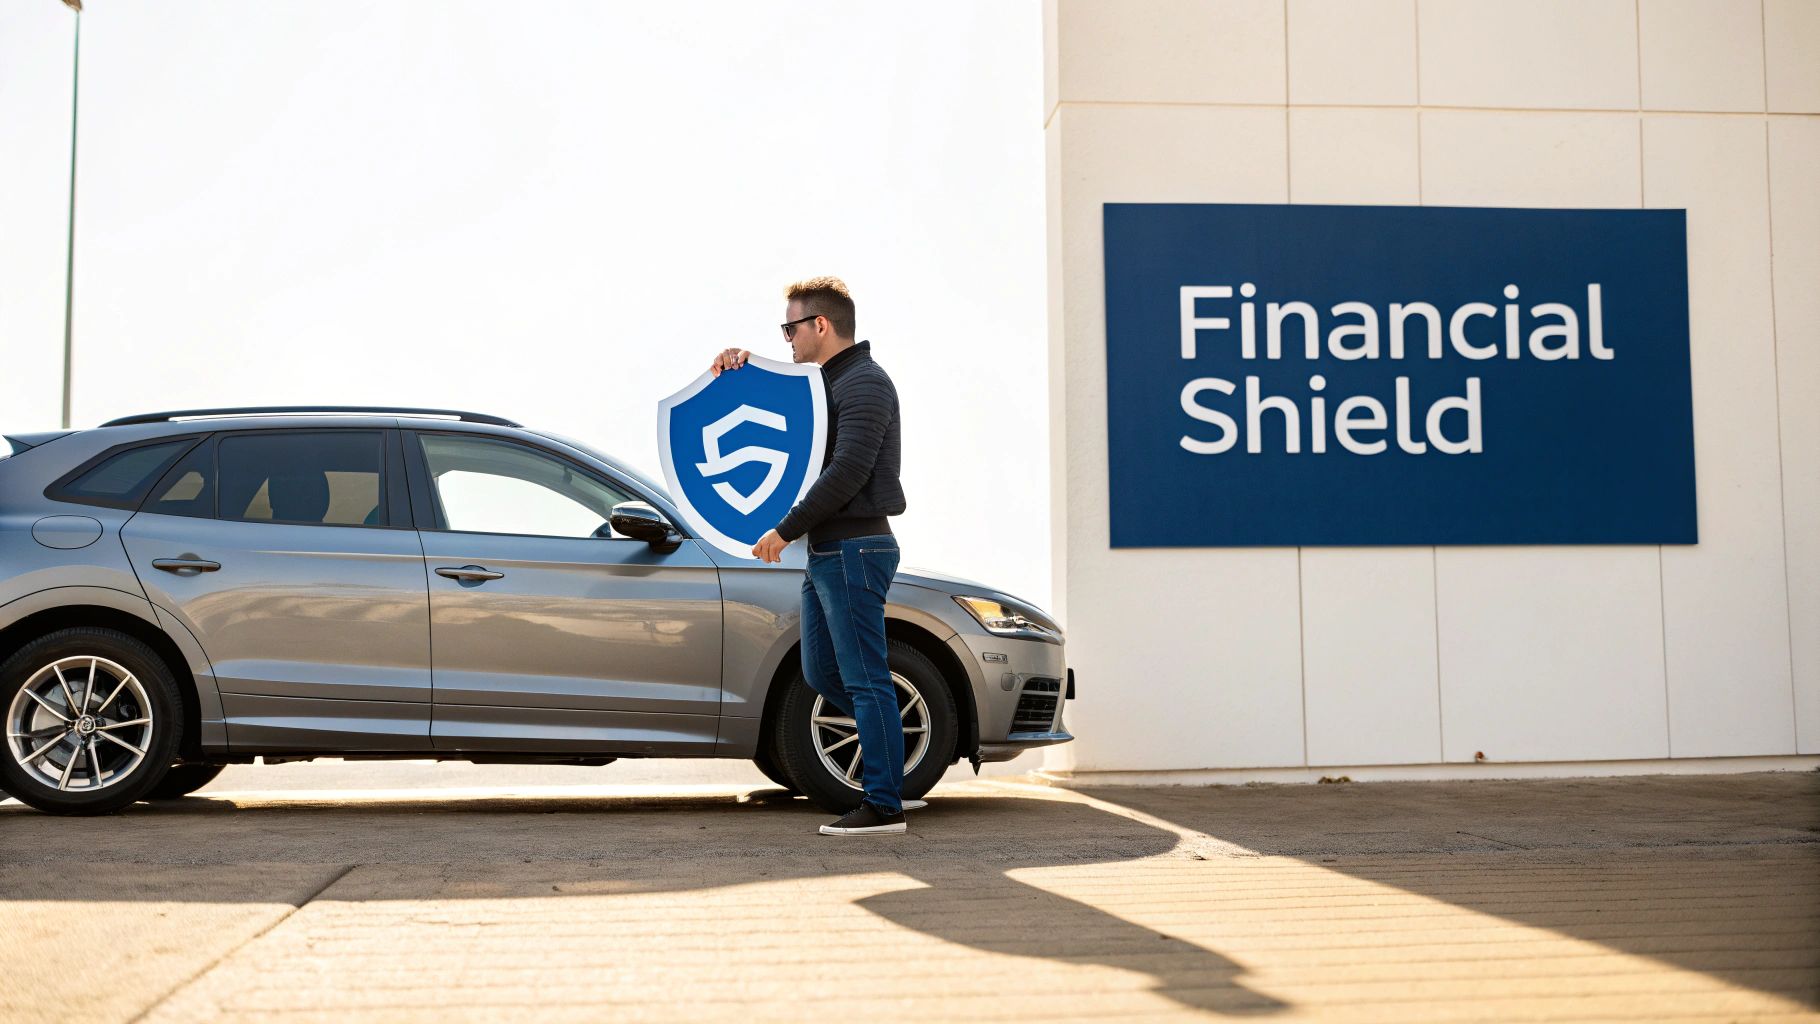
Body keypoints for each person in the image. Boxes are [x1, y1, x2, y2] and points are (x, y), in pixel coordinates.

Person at [712, 276, 913, 836]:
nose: (787, 339)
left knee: (866, 678)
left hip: (855, 547)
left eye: (790, 327)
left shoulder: (865, 384)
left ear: (820, 325)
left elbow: (847, 471)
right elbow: (785, 416)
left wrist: (784, 528)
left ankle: (884, 806)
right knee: (822, 670)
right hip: (826, 550)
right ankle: (889, 766)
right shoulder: (824, 385)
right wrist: (741, 366)